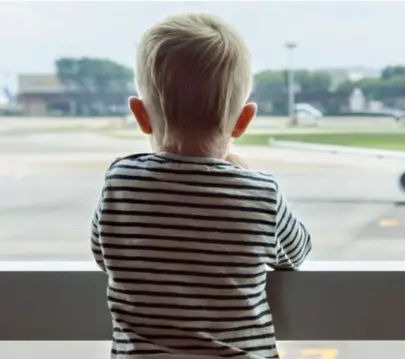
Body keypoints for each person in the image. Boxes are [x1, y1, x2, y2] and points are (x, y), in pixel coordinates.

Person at [89, 12, 312, 359]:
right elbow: (297, 253)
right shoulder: (260, 193)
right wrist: (244, 173)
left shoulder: (120, 182)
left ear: (140, 115)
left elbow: (104, 254)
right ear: (243, 121)